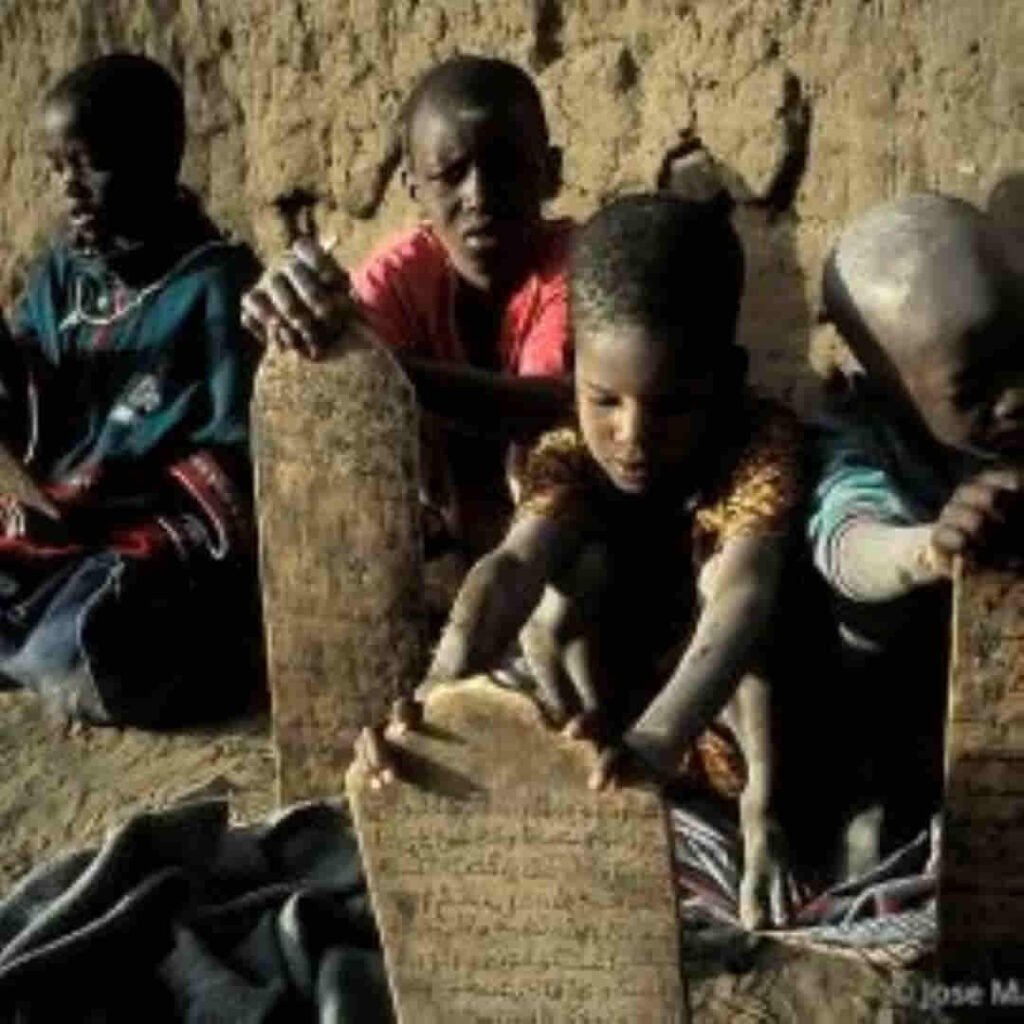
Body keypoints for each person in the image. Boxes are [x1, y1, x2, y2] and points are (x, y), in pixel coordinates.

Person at [356, 194, 806, 929]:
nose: (633, 435)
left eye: (671, 407)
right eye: (604, 401)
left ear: (727, 378)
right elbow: (509, 570)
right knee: (563, 586)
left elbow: (743, 600)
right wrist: (436, 695)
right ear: (573, 375)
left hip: (716, 716)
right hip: (611, 709)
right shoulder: (568, 453)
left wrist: (658, 744)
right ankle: (590, 754)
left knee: (749, 623)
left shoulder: (760, 446)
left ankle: (763, 813)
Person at [0, 53, 261, 726]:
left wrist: (114, 492)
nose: (69, 188)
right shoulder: (63, 277)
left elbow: (234, 457)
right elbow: (30, 401)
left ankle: (56, 652)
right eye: (58, 169)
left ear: (158, 157)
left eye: (90, 164)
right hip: (59, 522)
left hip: (151, 532)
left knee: (109, 623)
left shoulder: (216, 284)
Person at [241, 55, 574, 558]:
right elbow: (331, 390)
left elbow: (548, 404)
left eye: (505, 166)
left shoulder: (576, 267)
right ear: (413, 186)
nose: (479, 195)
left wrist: (369, 361)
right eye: (450, 173)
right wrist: (297, 321)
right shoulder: (398, 275)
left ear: (550, 173)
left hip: (561, 538)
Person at [808, 192, 1024, 869]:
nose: (1015, 395)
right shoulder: (867, 438)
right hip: (918, 702)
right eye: (973, 389)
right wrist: (929, 547)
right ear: (887, 390)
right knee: (866, 622)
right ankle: (880, 807)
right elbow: (846, 548)